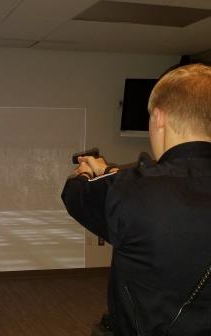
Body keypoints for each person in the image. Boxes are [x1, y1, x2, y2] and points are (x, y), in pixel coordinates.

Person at [62, 64, 211, 336]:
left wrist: (85, 174)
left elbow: (75, 194)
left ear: (159, 118)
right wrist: (108, 172)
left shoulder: (131, 191)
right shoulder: (132, 187)